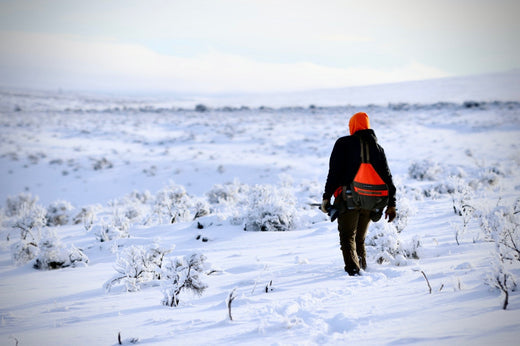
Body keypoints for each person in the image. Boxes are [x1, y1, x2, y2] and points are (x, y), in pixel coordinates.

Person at [321, 112, 396, 276]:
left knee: (348, 238)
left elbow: (333, 173)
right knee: (359, 239)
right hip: (371, 203)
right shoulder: (378, 149)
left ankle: (354, 273)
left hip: (348, 199)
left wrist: (326, 197)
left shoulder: (343, 143)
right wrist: (392, 204)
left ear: (353, 126)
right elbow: (387, 178)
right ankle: (362, 268)